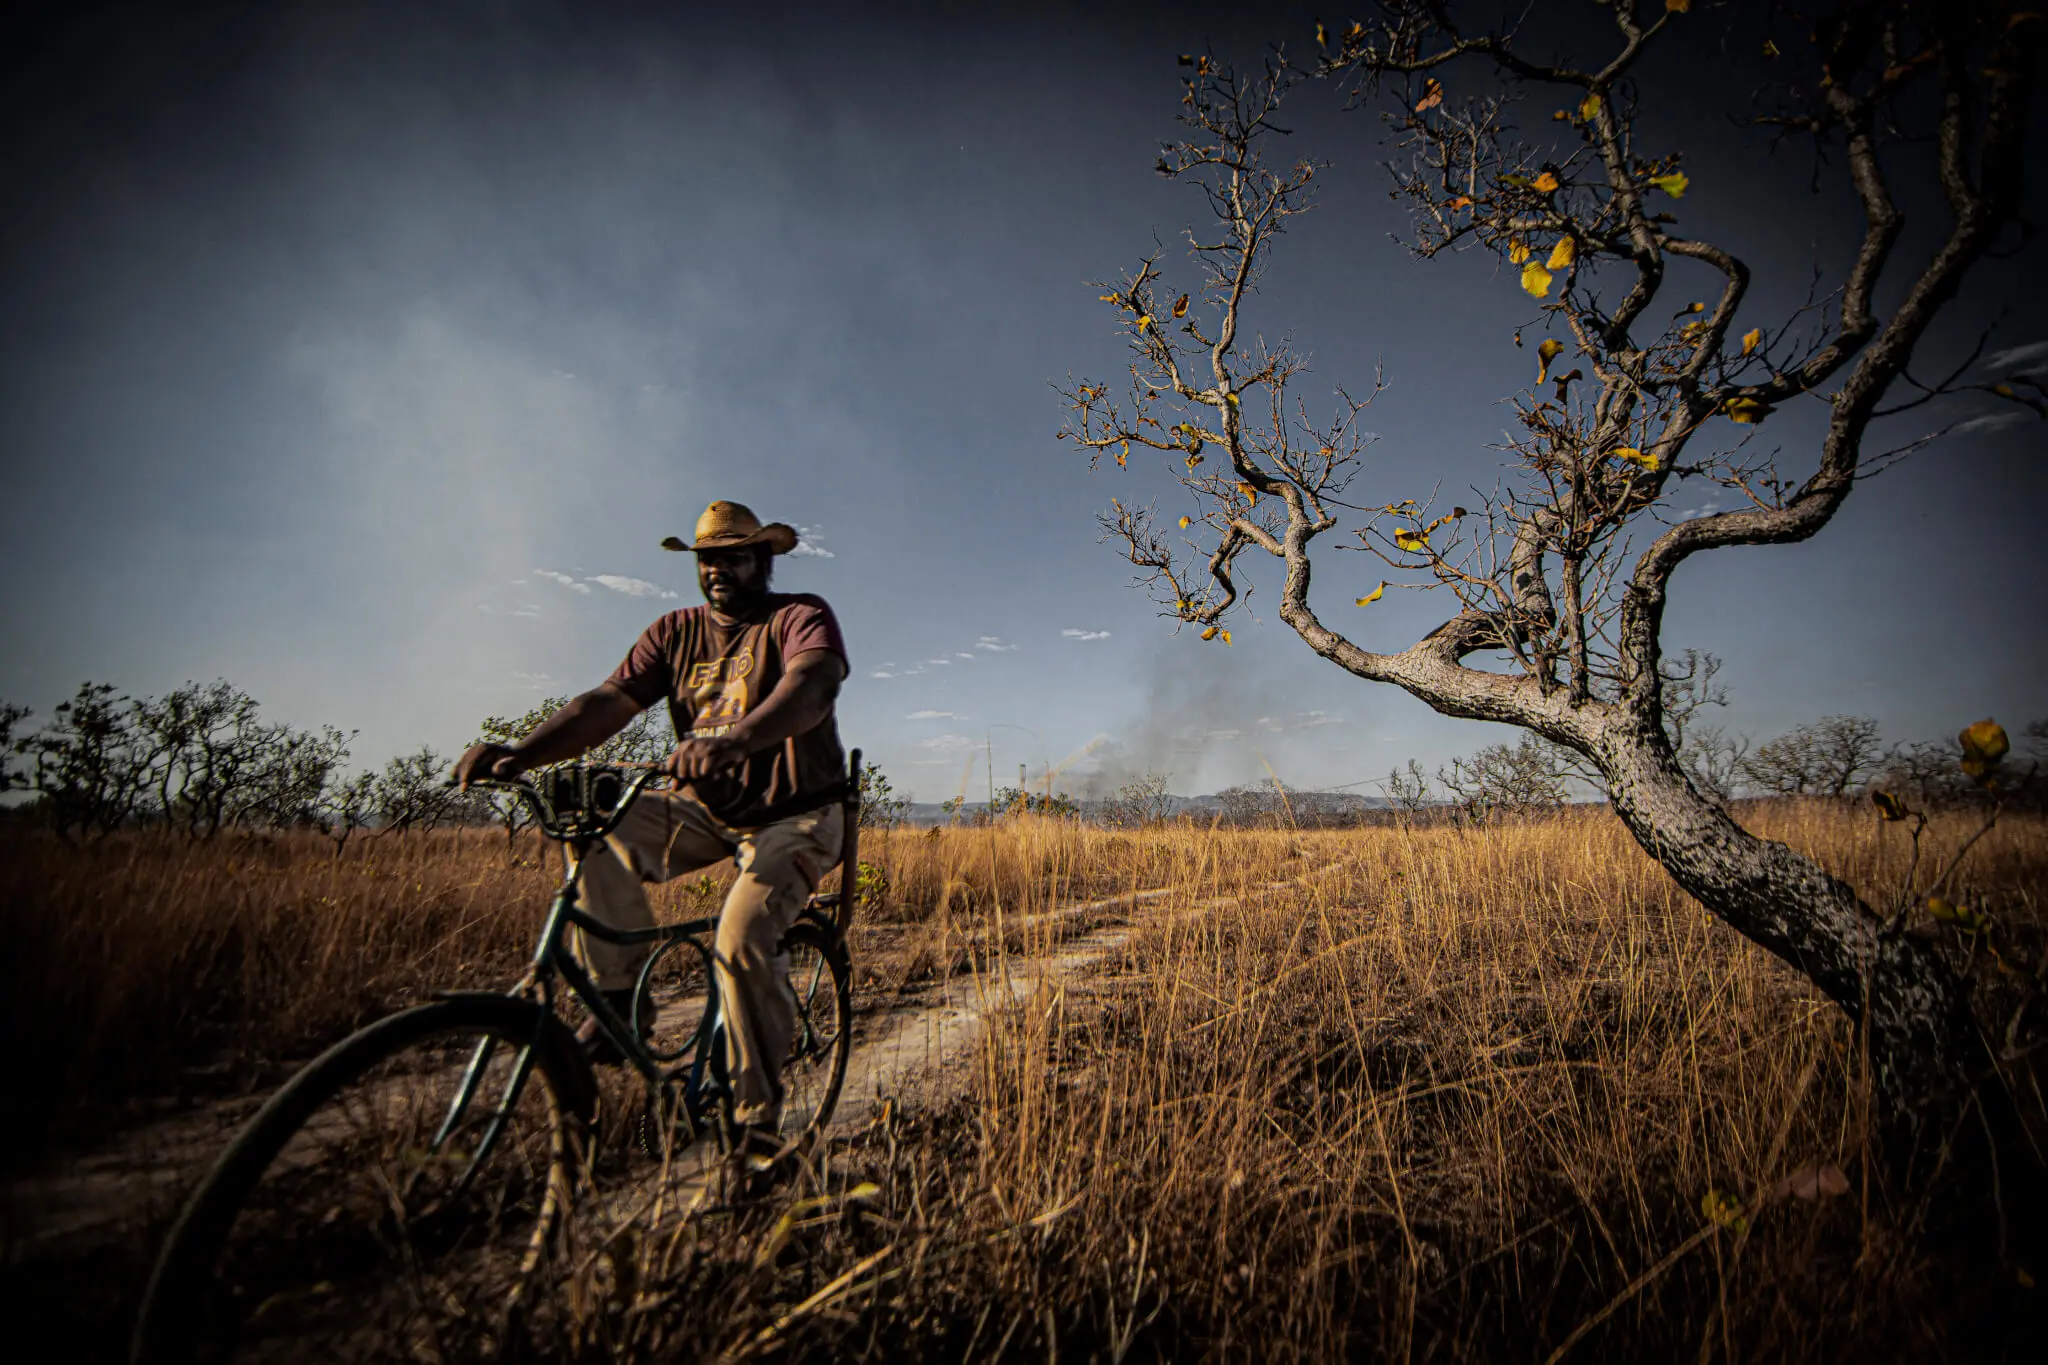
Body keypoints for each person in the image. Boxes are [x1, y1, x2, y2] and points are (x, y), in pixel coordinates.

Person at [453, 500, 849, 1154]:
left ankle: (756, 1126)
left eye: (734, 555)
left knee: (742, 936)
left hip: (798, 813)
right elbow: (605, 702)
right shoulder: (672, 632)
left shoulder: (797, 615)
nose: (718, 568)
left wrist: (736, 739)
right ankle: (620, 1000)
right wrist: (517, 753)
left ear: (764, 560)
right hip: (704, 810)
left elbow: (816, 684)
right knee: (584, 810)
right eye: (707, 558)